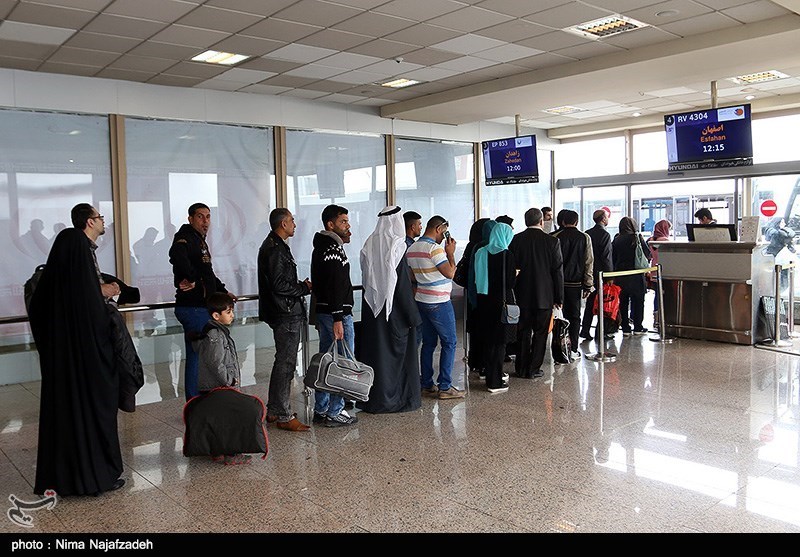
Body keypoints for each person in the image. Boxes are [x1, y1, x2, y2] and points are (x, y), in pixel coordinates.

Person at [29, 204, 125, 496]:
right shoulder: (78, 247)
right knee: (92, 411)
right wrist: (104, 295)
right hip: (85, 357)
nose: (102, 221)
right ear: (89, 221)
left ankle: (69, 478)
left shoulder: (70, 261)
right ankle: (93, 477)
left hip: (68, 359)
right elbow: (87, 300)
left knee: (69, 416)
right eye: (100, 217)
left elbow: (78, 293)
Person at [357, 206, 422, 413]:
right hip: (394, 311)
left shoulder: (369, 242)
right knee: (397, 359)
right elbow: (401, 284)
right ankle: (395, 400)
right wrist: (412, 316)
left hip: (372, 309)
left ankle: (373, 399)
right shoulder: (397, 245)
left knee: (376, 355)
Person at [169, 203, 235, 400]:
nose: (205, 221)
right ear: (190, 218)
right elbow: (177, 257)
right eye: (200, 216)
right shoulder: (184, 237)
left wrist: (222, 291)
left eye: (208, 217)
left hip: (201, 306)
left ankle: (202, 400)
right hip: (193, 307)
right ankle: (193, 403)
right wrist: (192, 279)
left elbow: (208, 273)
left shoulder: (199, 241)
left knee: (205, 356)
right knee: (197, 357)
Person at [257, 208, 312, 431]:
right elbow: (279, 285)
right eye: (291, 221)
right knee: (286, 363)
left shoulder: (275, 246)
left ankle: (274, 409)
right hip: (285, 312)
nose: (294, 224)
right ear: (282, 224)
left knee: (283, 362)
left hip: (284, 310)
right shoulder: (275, 250)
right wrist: (303, 288)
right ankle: (283, 415)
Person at [311, 204, 359, 427]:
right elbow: (334, 286)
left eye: (348, 222)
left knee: (327, 361)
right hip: (335, 315)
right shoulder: (331, 249)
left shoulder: (325, 246)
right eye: (343, 222)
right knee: (341, 364)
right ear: (330, 224)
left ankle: (321, 408)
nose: (348, 226)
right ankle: (335, 411)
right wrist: (339, 317)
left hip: (328, 313)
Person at [407, 215, 463, 399]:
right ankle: (445, 387)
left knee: (429, 343)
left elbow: (412, 277)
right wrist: (451, 253)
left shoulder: (412, 248)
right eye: (445, 232)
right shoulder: (435, 249)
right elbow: (450, 273)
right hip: (439, 302)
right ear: (439, 229)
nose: (444, 237)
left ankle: (426, 384)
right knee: (449, 342)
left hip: (422, 299)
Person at [509, 207, 563, 379]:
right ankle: (533, 368)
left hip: (521, 295)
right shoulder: (552, 242)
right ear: (541, 222)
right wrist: (559, 297)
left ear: (526, 222)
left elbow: (512, 269)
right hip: (545, 296)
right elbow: (557, 272)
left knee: (522, 331)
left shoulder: (516, 240)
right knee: (540, 334)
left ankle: (521, 367)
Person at [472, 221, 516, 392]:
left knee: (489, 341)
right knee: (499, 343)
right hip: (500, 302)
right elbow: (510, 282)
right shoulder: (507, 255)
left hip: (484, 301)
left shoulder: (481, 252)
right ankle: (495, 381)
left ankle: (489, 374)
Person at [552, 209, 593, 358]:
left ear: (562, 222)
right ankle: (573, 349)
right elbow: (589, 262)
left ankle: (556, 349)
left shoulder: (554, 237)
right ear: (576, 221)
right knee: (575, 317)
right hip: (576, 284)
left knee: (557, 317)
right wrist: (588, 284)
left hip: (558, 284)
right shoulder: (585, 237)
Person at [454, 218, 490, 376]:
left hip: (471, 295)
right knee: (483, 329)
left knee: (475, 329)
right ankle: (481, 361)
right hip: (481, 295)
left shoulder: (471, 246)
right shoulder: (483, 248)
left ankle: (474, 359)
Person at [612, 216, 652, 336]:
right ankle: (638, 327)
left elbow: (613, 258)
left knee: (623, 302)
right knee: (638, 301)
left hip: (620, 275)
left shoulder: (616, 239)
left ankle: (625, 328)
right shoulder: (637, 237)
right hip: (636, 275)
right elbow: (647, 254)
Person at [581, 209, 613, 340]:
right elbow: (606, 257)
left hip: (589, 273)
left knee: (590, 303)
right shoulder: (605, 235)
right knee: (602, 303)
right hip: (601, 274)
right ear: (603, 219)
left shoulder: (587, 233)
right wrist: (609, 275)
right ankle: (601, 332)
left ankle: (585, 329)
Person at [647, 219, 671, 329]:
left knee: (656, 295)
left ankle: (655, 318)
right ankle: (662, 318)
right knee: (663, 295)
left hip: (653, 269)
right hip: (664, 269)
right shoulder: (665, 240)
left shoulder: (651, 240)